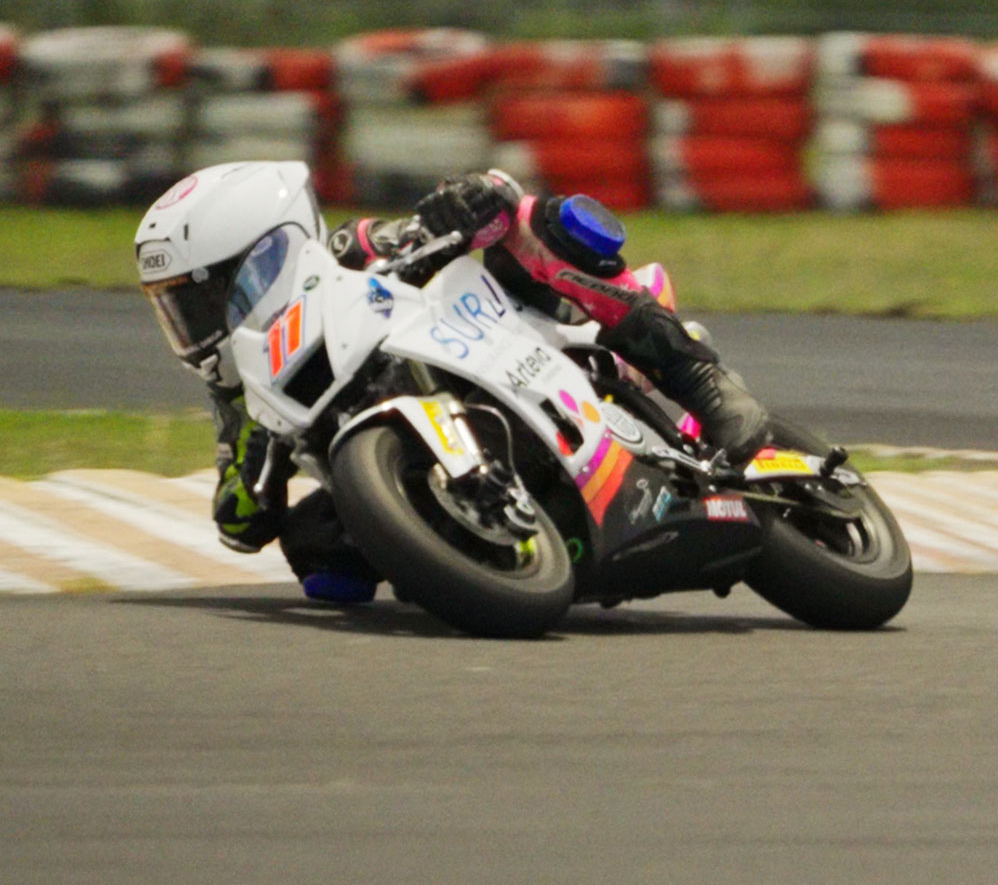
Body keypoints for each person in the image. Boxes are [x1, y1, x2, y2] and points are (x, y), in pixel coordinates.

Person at [135, 161, 768, 604]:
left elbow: (486, 198)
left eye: (203, 300)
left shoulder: (346, 251)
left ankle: (698, 377)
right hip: (417, 464)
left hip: (512, 349)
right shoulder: (238, 396)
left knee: (539, 223)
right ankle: (479, 553)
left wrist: (468, 198)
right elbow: (236, 526)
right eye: (176, 311)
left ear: (265, 252)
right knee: (320, 553)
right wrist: (253, 463)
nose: (193, 326)